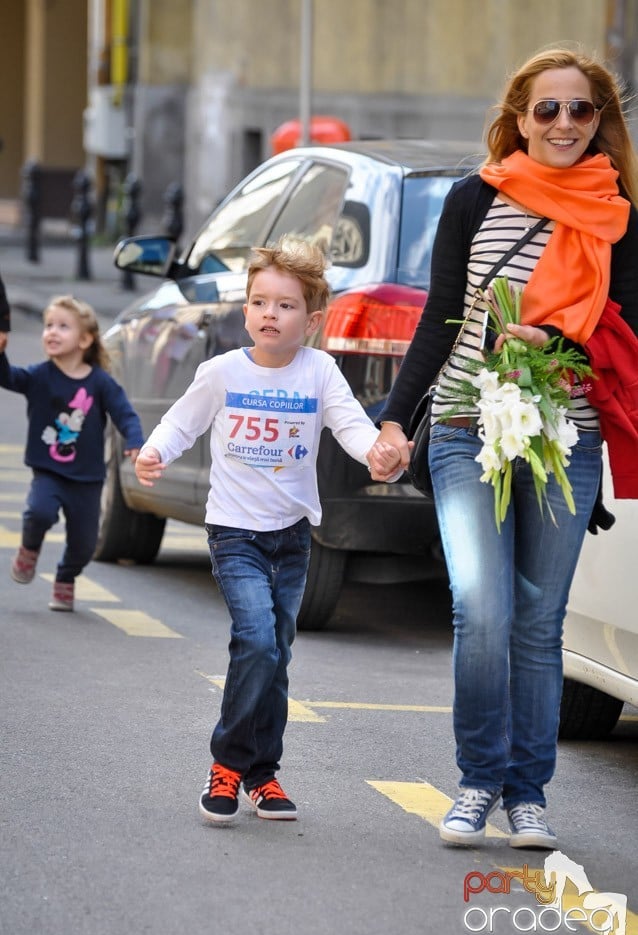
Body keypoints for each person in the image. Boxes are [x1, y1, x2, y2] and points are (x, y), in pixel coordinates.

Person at [377, 47, 638, 849]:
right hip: (464, 422)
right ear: (519, 118)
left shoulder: (621, 212)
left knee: (537, 620)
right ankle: (477, 780)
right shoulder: (472, 199)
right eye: (547, 110)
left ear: (601, 121)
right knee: (480, 608)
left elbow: (630, 330)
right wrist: (393, 417)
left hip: (567, 432)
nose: (563, 124)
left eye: (581, 109)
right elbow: (439, 319)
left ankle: (529, 795)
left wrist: (559, 338)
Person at [135, 237, 401, 825]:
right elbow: (184, 420)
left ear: (310, 319)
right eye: (259, 302)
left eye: (284, 306)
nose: (269, 315)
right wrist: (154, 451)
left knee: (276, 656)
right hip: (234, 532)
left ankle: (263, 775)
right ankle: (227, 764)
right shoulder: (222, 371)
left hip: (291, 536)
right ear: (246, 309)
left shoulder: (320, 371)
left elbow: (353, 427)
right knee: (255, 640)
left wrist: (378, 453)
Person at [1, 295, 143, 611]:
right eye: (48, 325)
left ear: (85, 339)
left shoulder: (101, 383)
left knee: (84, 544)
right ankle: (29, 548)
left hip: (87, 479)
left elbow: (125, 414)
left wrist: (135, 441)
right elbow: (8, 377)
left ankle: (66, 577)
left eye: (62, 326)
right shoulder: (39, 375)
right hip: (48, 470)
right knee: (38, 512)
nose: (52, 332)